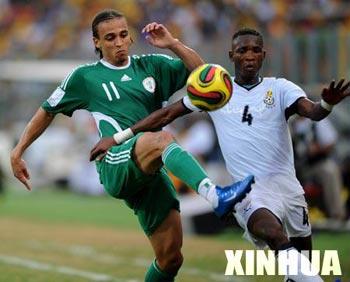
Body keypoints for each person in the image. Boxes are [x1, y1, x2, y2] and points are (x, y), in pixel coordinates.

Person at [10, 10, 254, 282]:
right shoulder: (85, 77)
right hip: (114, 160)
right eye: (110, 37)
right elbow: (47, 110)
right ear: (96, 43)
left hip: (150, 168)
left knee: (170, 258)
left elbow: (203, 75)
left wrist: (173, 43)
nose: (118, 42)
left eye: (123, 35)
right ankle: (216, 196)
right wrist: (18, 151)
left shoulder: (152, 65)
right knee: (162, 138)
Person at [90, 28, 350, 281]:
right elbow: (167, 113)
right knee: (274, 235)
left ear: (263, 55)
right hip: (250, 191)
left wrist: (327, 103)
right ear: (231, 55)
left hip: (288, 187)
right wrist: (119, 137)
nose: (249, 55)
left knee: (300, 265)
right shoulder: (217, 92)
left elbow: (314, 112)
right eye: (242, 50)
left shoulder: (280, 88)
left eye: (255, 50)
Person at [292, 116, 345, 220]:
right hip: (293, 166)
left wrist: (317, 149)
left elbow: (330, 142)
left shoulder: (316, 120)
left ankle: (337, 215)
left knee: (329, 170)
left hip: (315, 165)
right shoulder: (290, 122)